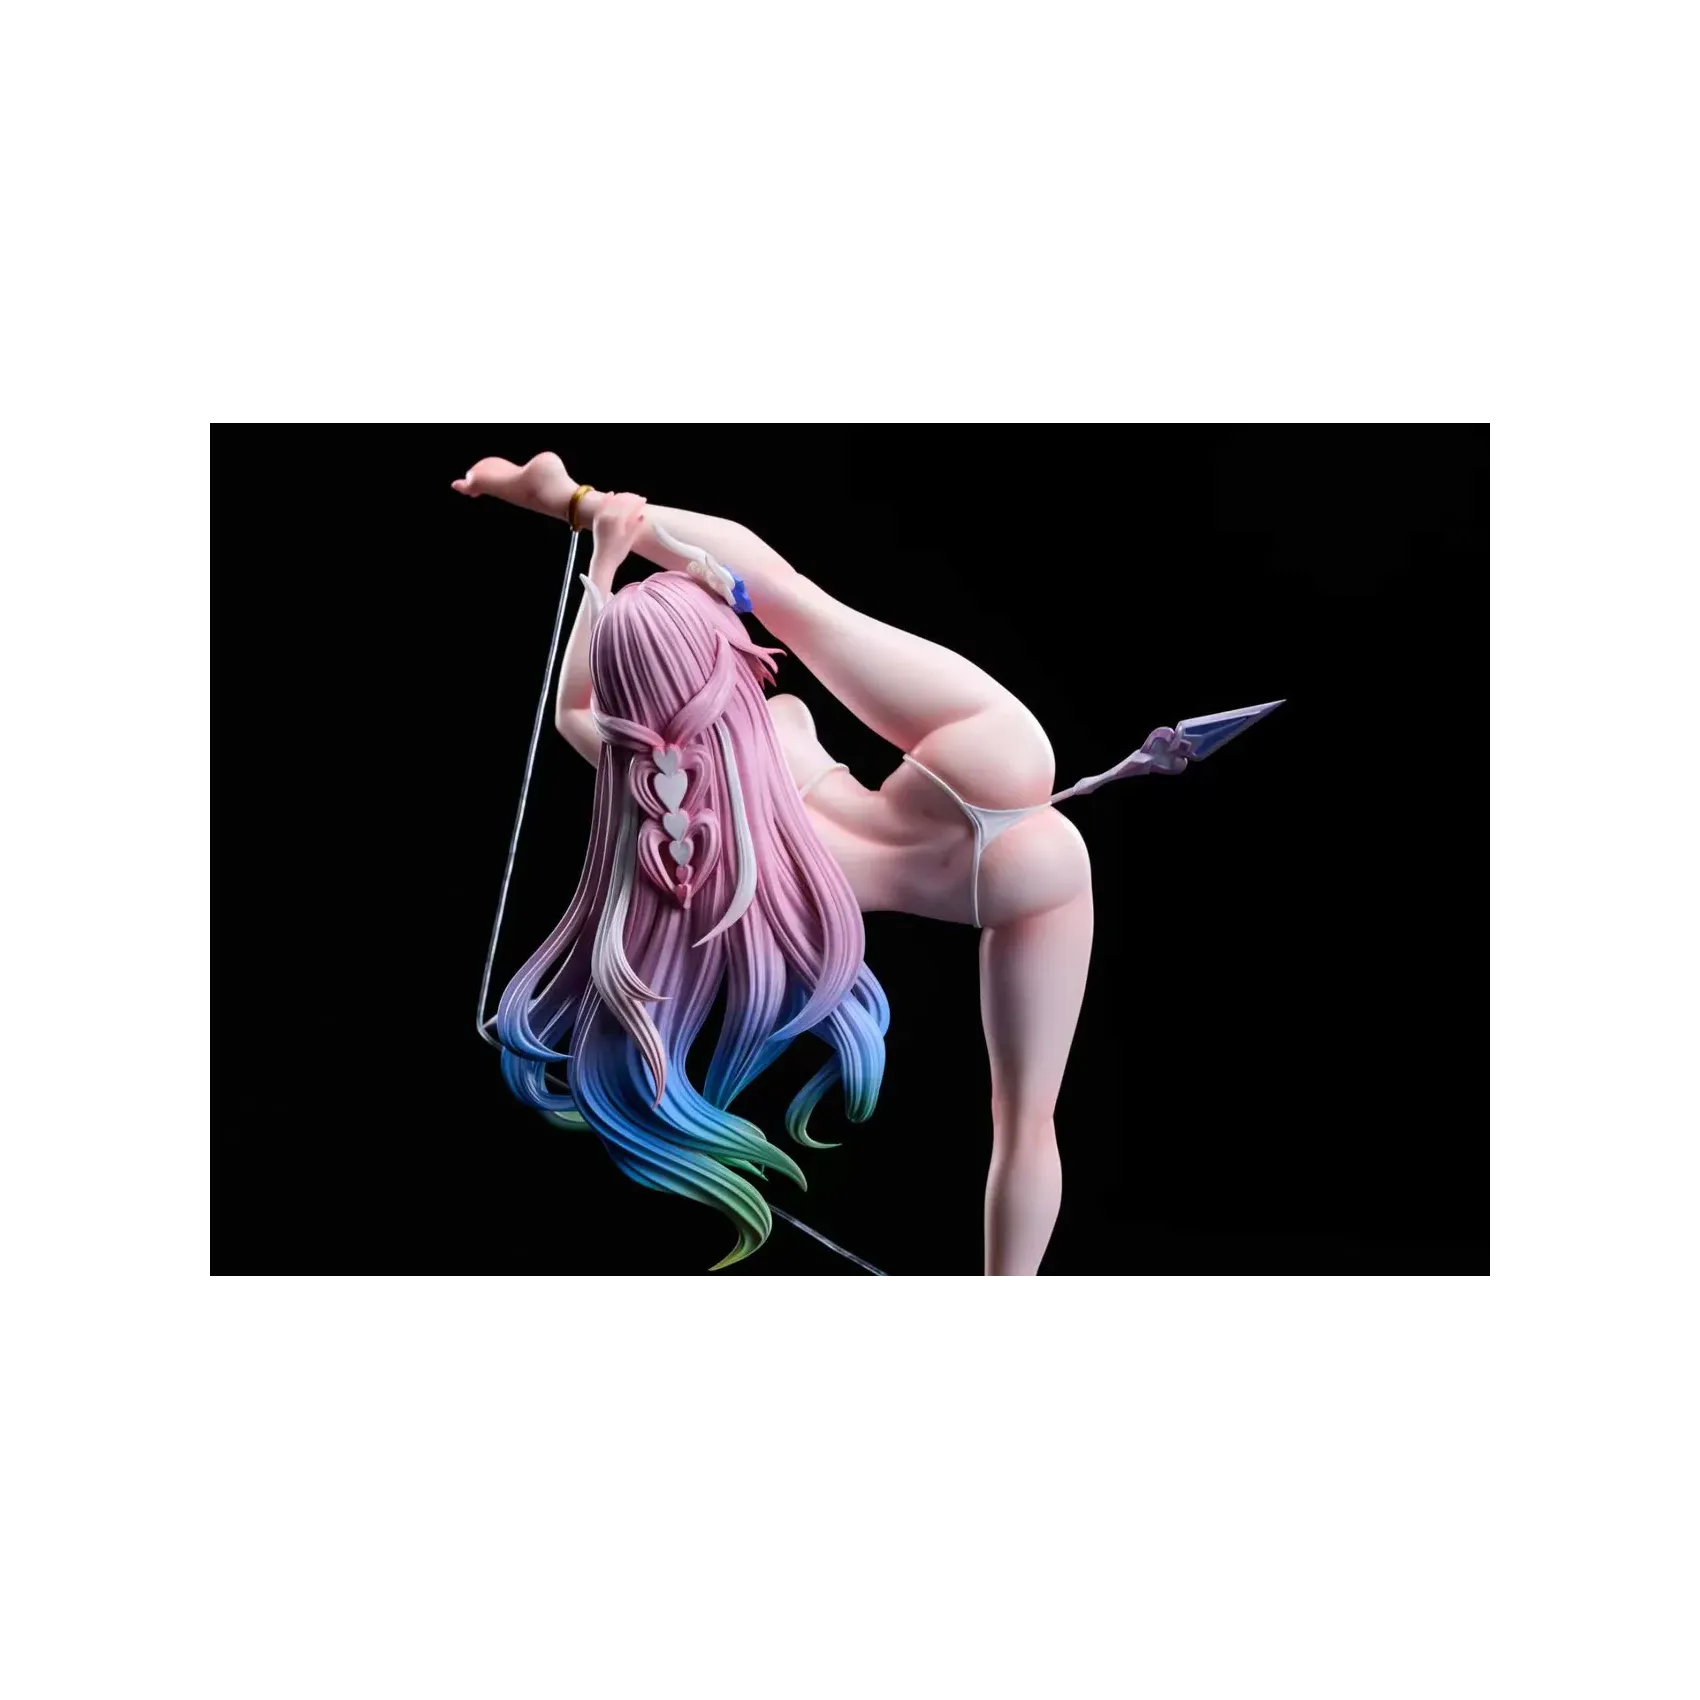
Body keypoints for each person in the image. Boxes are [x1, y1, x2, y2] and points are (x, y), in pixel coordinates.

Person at [455, 452, 1192, 1276]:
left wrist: (605, 585)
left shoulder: (688, 824)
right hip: (985, 759)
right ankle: (567, 495)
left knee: (1023, 1121)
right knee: (797, 600)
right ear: (727, 658)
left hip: (1014, 888)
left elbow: (573, 711)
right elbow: (762, 580)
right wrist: (603, 541)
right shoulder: (767, 729)